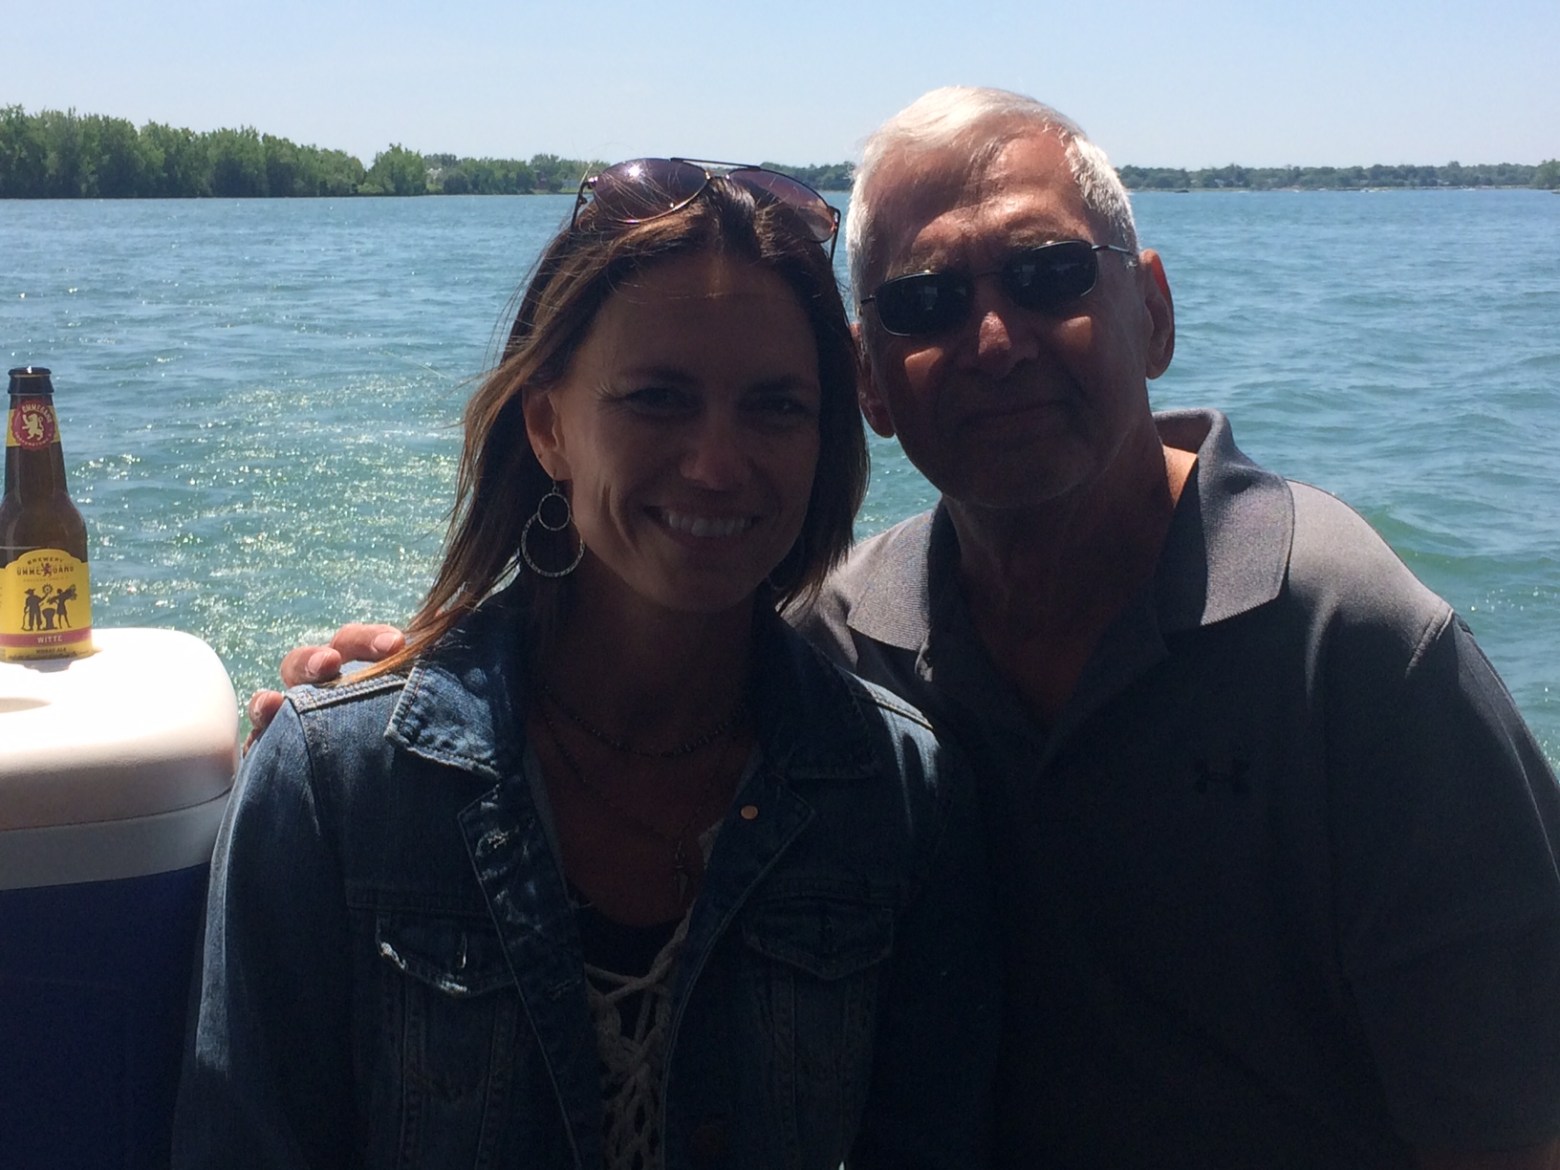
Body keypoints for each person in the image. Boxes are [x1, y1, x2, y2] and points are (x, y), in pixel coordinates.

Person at [256, 90, 1560, 1169]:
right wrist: (400, 688)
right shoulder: (844, 643)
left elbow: (1511, 1115)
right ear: (872, 381)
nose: (994, 337)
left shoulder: (1357, 642)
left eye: (1049, 275)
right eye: (927, 303)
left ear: (1152, 311)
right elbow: (649, 606)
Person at [178, 158, 997, 1170]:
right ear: (548, 422)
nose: (717, 462)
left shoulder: (899, 796)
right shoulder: (335, 788)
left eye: (776, 407)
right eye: (658, 398)